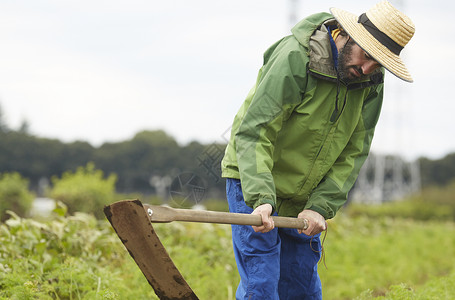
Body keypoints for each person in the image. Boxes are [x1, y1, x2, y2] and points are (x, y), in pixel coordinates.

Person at [221, 1, 415, 299]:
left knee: (301, 288)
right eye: (367, 56)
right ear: (349, 35)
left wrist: (320, 205)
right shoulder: (296, 58)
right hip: (255, 180)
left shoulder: (371, 80)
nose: (366, 69)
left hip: (306, 197)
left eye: (379, 63)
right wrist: (260, 198)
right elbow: (255, 131)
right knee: (262, 284)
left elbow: (354, 151)